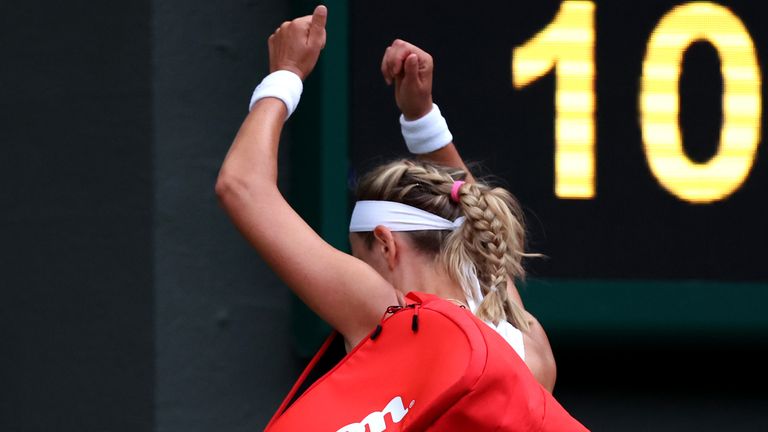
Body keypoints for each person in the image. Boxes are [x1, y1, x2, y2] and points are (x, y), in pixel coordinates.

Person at [216, 4, 556, 394]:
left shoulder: (389, 319)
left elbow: (241, 185)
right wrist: (422, 119)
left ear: (385, 242)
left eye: (359, 259)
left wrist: (285, 75)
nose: (358, 273)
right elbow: (476, 220)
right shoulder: (530, 346)